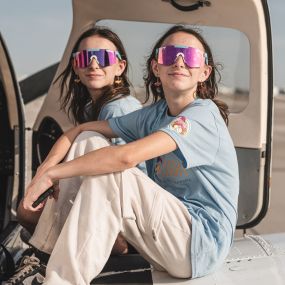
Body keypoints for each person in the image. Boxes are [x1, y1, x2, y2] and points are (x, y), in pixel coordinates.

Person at [8, 25, 239, 284]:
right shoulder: (154, 114)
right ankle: (45, 255)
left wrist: (53, 173)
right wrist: (44, 171)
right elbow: (80, 131)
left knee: (111, 170)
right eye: (170, 54)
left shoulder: (203, 115)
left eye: (191, 56)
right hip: (163, 236)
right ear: (155, 68)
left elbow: (125, 158)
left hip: (199, 242)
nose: (180, 61)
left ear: (204, 72)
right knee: (89, 140)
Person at [16, 26, 144, 253]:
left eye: (104, 58)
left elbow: (123, 176)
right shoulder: (90, 108)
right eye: (86, 58)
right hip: (102, 199)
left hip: (129, 215)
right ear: (76, 66)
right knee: (27, 212)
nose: (94, 64)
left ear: (120, 67)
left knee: (28, 215)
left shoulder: (120, 109)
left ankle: (116, 248)